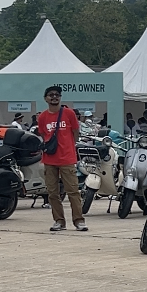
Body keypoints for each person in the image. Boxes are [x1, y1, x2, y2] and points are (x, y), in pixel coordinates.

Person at [37, 85, 88, 232]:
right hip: (49, 159)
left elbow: (75, 132)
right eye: (51, 95)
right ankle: (59, 221)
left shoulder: (69, 113)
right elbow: (43, 135)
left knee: (73, 191)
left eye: (57, 95)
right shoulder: (42, 117)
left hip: (67, 159)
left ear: (60, 97)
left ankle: (79, 221)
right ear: (45, 98)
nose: (54, 97)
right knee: (53, 193)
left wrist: (68, 146)